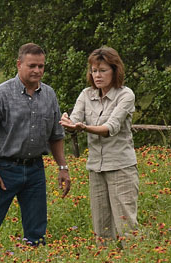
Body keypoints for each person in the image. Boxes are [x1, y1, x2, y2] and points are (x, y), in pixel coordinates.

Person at [0, 43, 71, 254]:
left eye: (41, 66)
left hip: (35, 169)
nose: (37, 70)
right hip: (4, 169)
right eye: (32, 65)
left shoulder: (49, 95)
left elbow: (56, 136)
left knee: (37, 228)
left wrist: (63, 167)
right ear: (19, 64)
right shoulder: (1, 94)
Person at [60, 46, 138, 242]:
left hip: (121, 167)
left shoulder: (125, 95)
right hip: (96, 168)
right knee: (101, 229)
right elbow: (74, 120)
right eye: (94, 71)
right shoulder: (86, 94)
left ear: (115, 70)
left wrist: (83, 127)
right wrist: (67, 123)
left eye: (103, 70)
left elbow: (110, 128)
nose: (97, 75)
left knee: (126, 226)